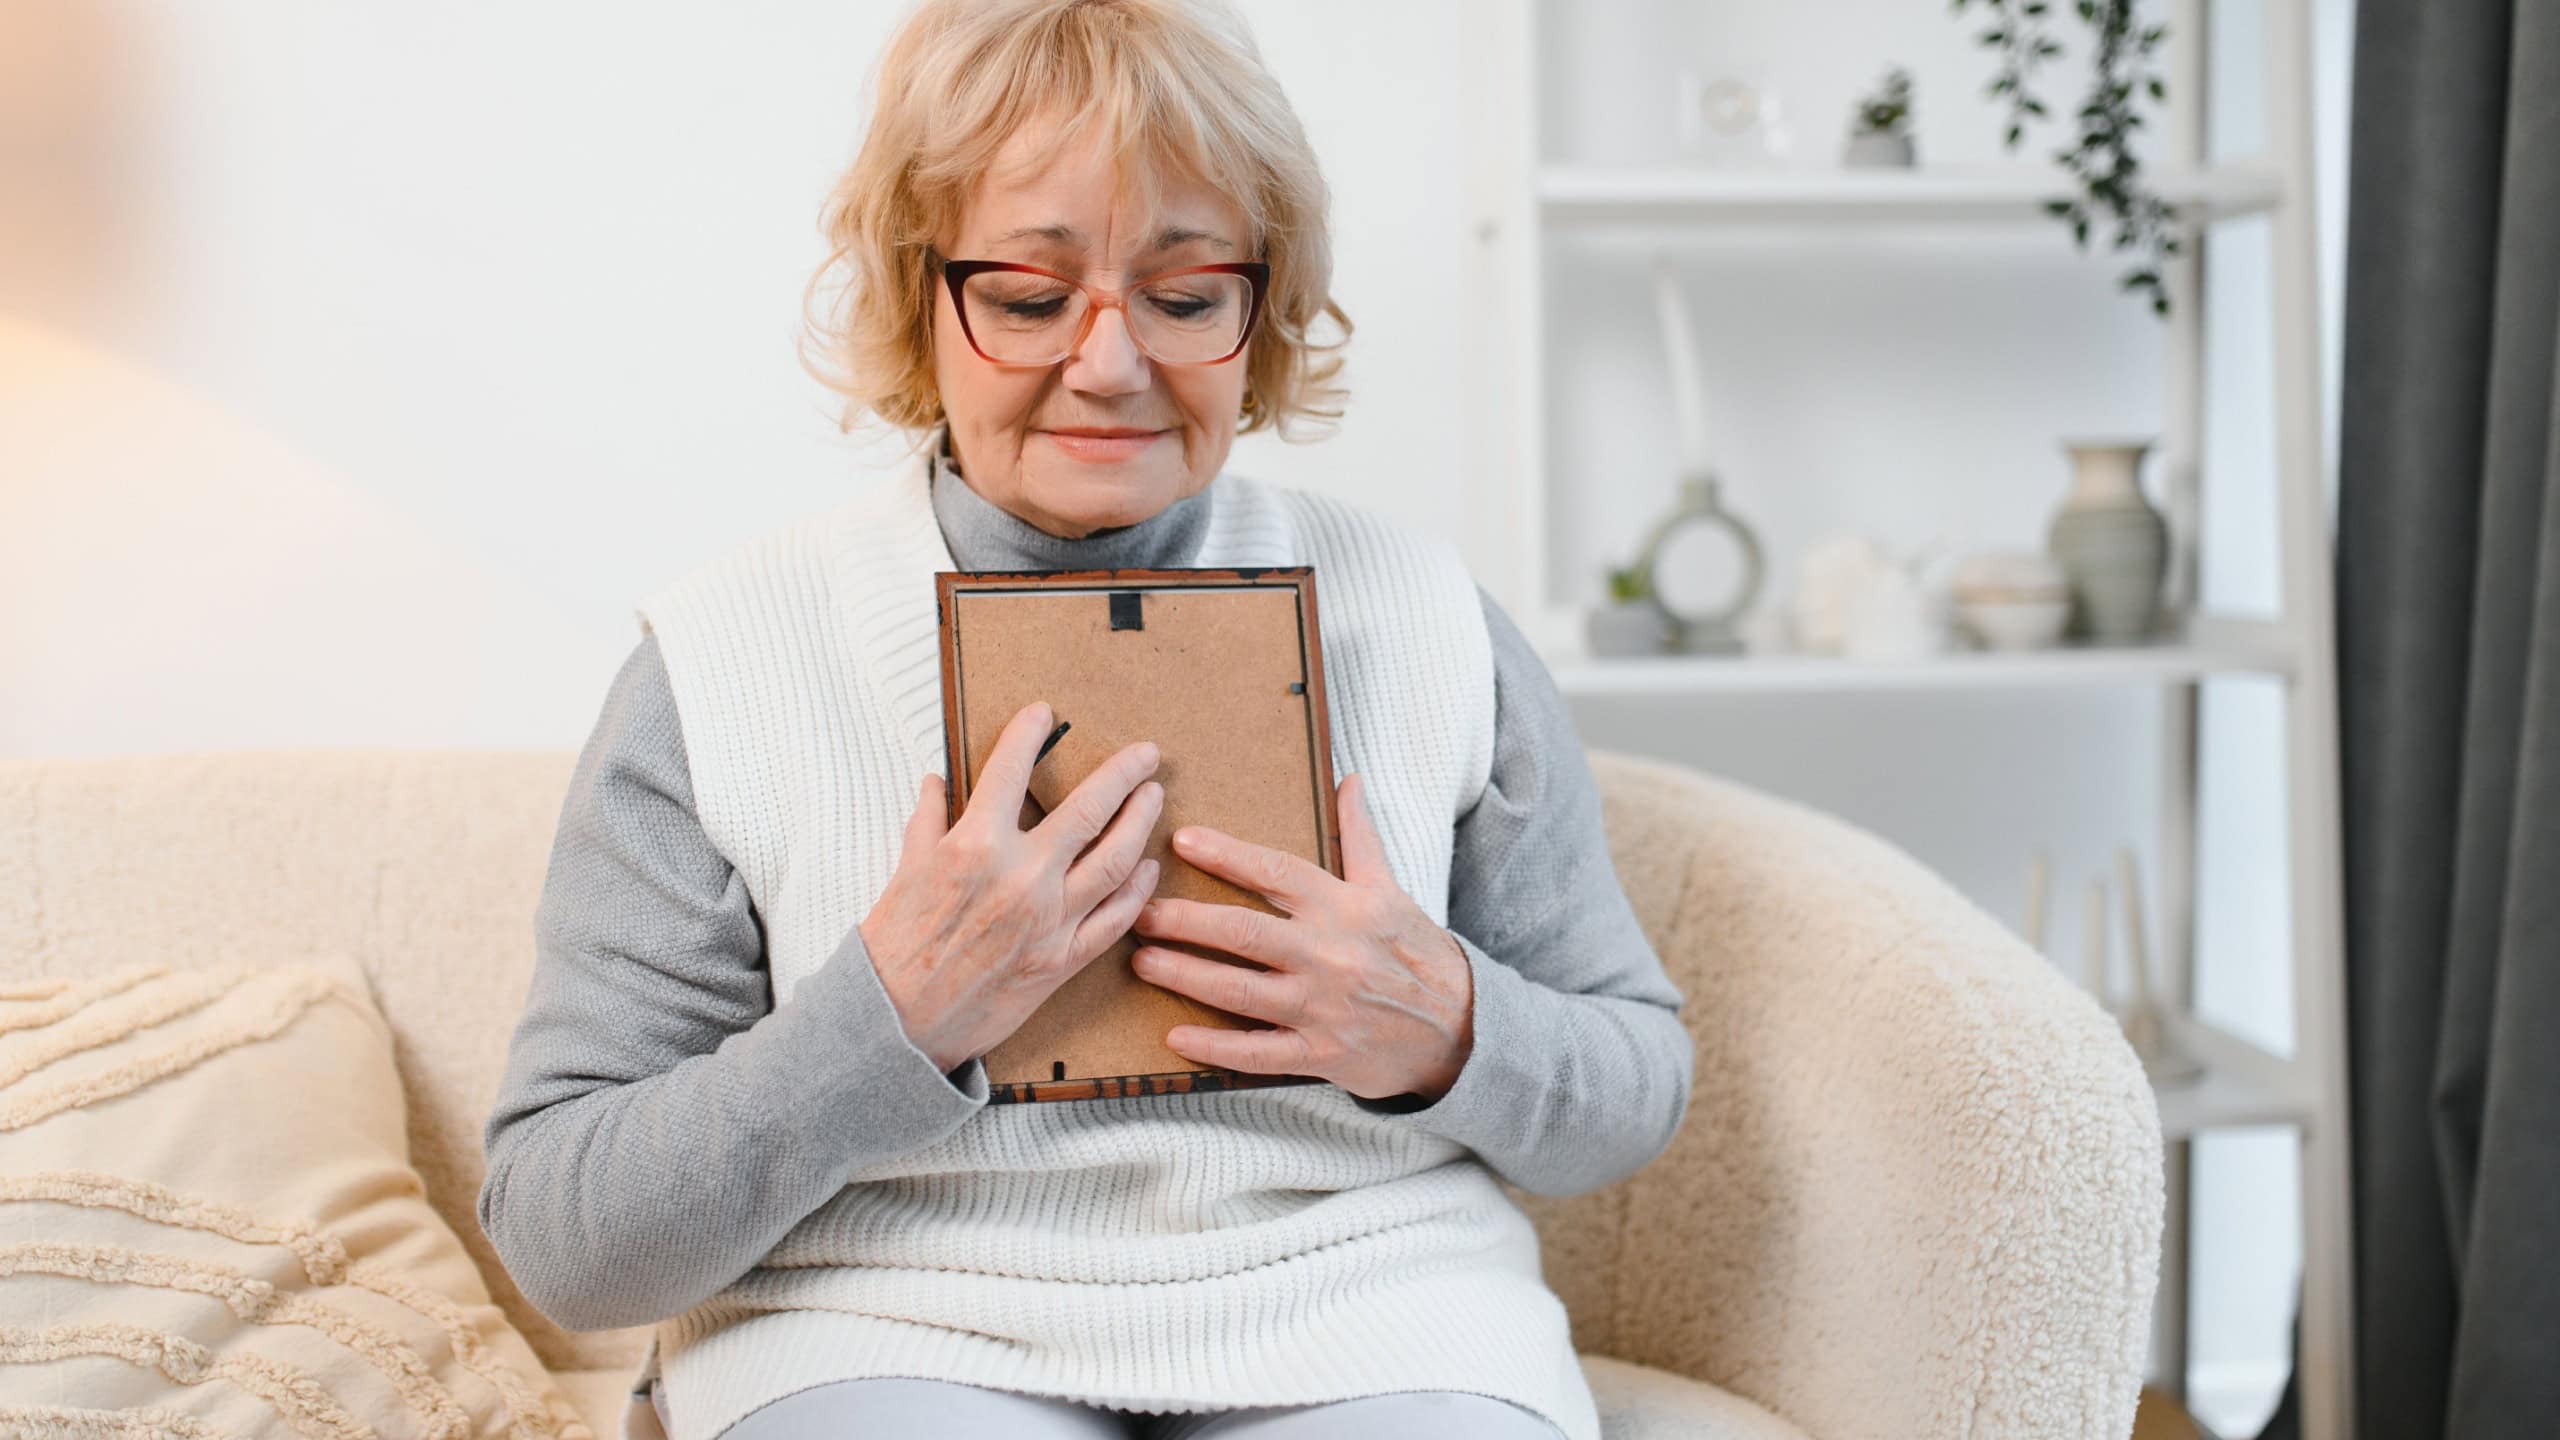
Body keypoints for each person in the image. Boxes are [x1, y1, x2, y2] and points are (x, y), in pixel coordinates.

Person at [476, 2, 1692, 1437]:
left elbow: (1637, 1083)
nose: (1110, 366)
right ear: (922, 298)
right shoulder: (726, 659)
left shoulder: (1426, 622)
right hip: (875, 1325)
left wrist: (1442, 1025)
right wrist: (889, 1020)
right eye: (1032, 297)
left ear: (1263, 309)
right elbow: (564, 1236)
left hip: (1372, 1313)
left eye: (1182, 298)